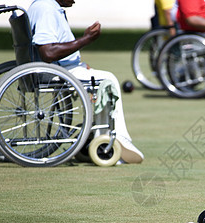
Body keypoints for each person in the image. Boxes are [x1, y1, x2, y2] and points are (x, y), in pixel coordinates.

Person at [27, 0, 144, 164]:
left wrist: (79, 64)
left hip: (62, 68)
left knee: (101, 78)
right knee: (108, 79)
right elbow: (48, 52)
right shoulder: (46, 9)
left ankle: (99, 137)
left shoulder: (44, 5)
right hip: (56, 71)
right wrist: (86, 39)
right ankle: (113, 139)